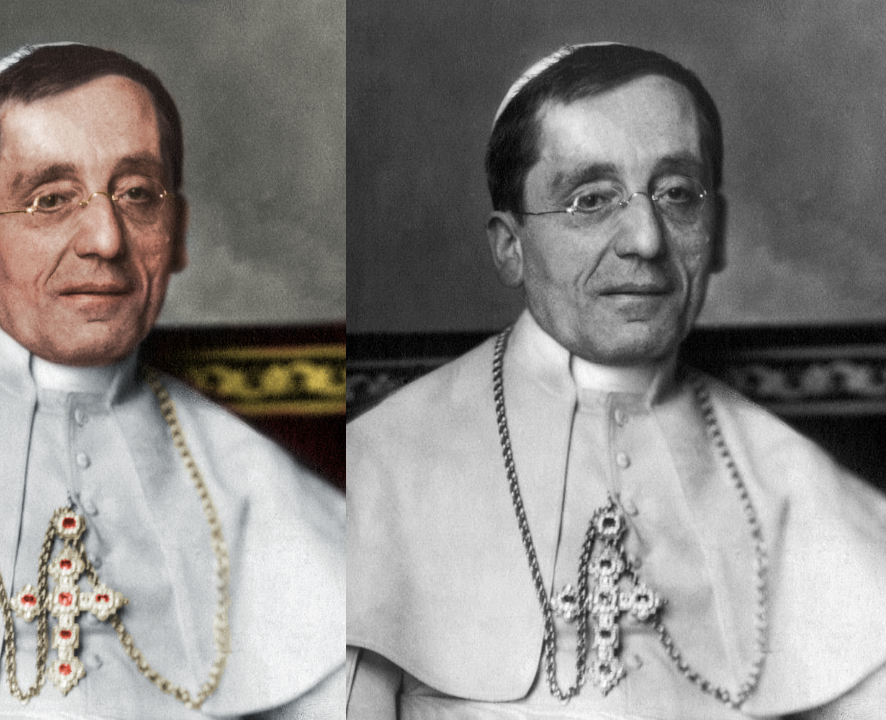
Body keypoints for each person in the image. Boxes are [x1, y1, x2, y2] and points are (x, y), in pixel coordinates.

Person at [346, 43, 886, 719]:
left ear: (715, 235)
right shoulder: (378, 473)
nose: (646, 240)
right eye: (590, 200)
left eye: (678, 194)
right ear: (510, 246)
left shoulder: (799, 490)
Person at [0, 44, 344, 718]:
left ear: (175, 235)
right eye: (51, 199)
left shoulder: (262, 490)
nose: (107, 240)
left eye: (138, 195)